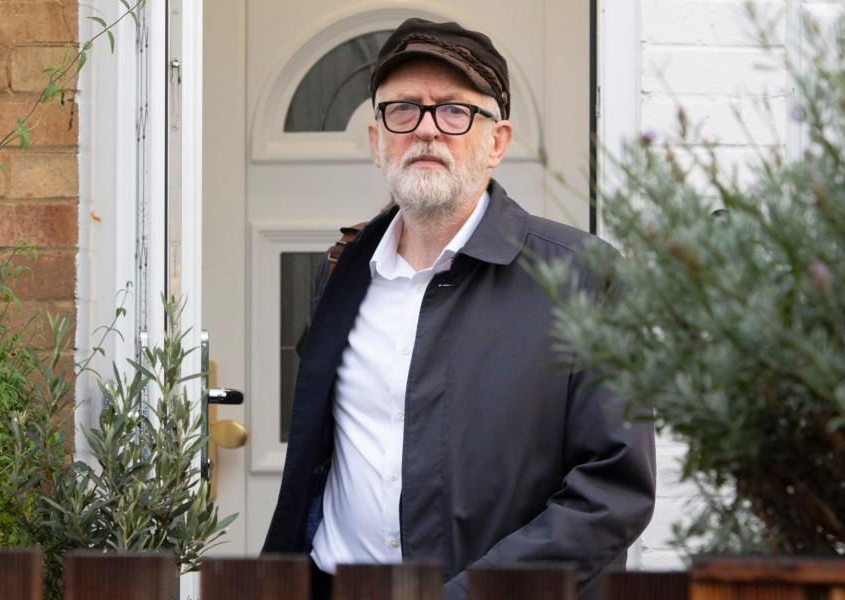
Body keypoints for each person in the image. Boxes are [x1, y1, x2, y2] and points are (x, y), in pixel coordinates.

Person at [263, 18, 656, 600]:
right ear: (376, 140)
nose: (426, 131)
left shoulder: (583, 277)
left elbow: (613, 492)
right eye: (403, 110)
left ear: (496, 141)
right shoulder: (344, 273)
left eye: (454, 111)